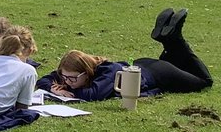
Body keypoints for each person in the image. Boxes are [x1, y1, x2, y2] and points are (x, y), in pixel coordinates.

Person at [37, 8, 211, 100]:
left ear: (86, 71)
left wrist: (67, 90)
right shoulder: (71, 73)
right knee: (179, 61)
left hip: (160, 73)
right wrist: (54, 87)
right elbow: (43, 80)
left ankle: (176, 38)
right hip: (143, 64)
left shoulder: (109, 72)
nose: (67, 82)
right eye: (64, 77)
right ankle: (168, 40)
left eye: (72, 78)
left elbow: (94, 95)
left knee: (204, 82)